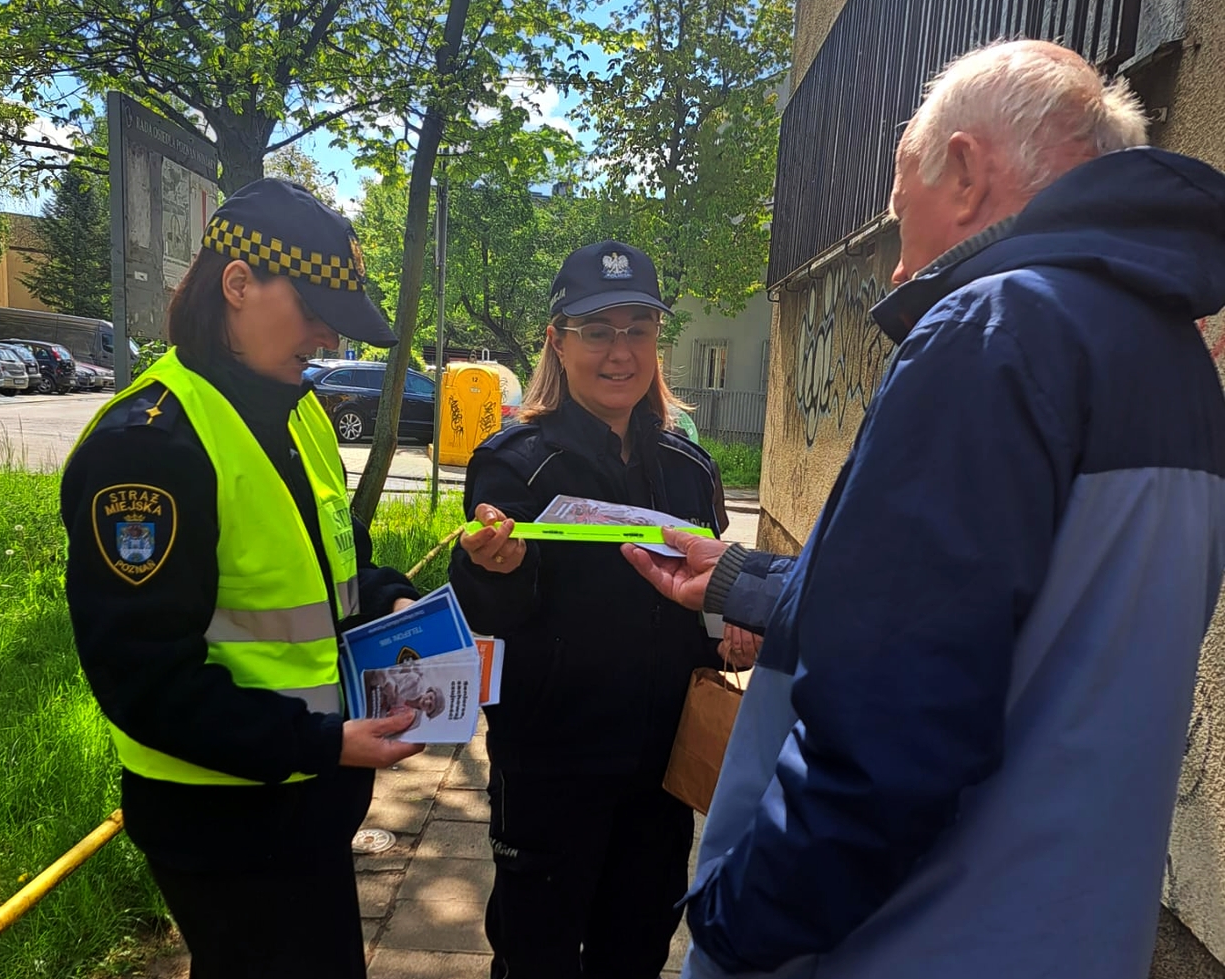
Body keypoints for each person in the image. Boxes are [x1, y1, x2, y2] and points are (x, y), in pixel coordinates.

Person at [623, 40, 1225, 979]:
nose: (893, 229)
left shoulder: (994, 330)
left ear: (963, 169)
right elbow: (1017, 626)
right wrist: (744, 580)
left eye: (899, 185)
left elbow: (890, 728)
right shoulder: (1173, 359)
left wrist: (735, 920)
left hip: (918, 939)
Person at [60, 179, 426, 979]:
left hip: (305, 803)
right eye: (316, 311)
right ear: (237, 285)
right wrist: (325, 743)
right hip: (224, 822)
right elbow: (145, 681)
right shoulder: (148, 449)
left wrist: (393, 597)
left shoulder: (298, 408)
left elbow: (338, 557)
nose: (329, 337)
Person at [449, 239, 743, 979]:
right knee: (535, 960)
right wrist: (493, 569)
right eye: (598, 331)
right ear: (558, 339)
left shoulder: (689, 469)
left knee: (637, 955)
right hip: (550, 770)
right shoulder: (514, 463)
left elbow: (704, 607)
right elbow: (489, 610)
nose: (620, 353)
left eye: (637, 331)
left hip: (662, 777)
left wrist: (735, 627)